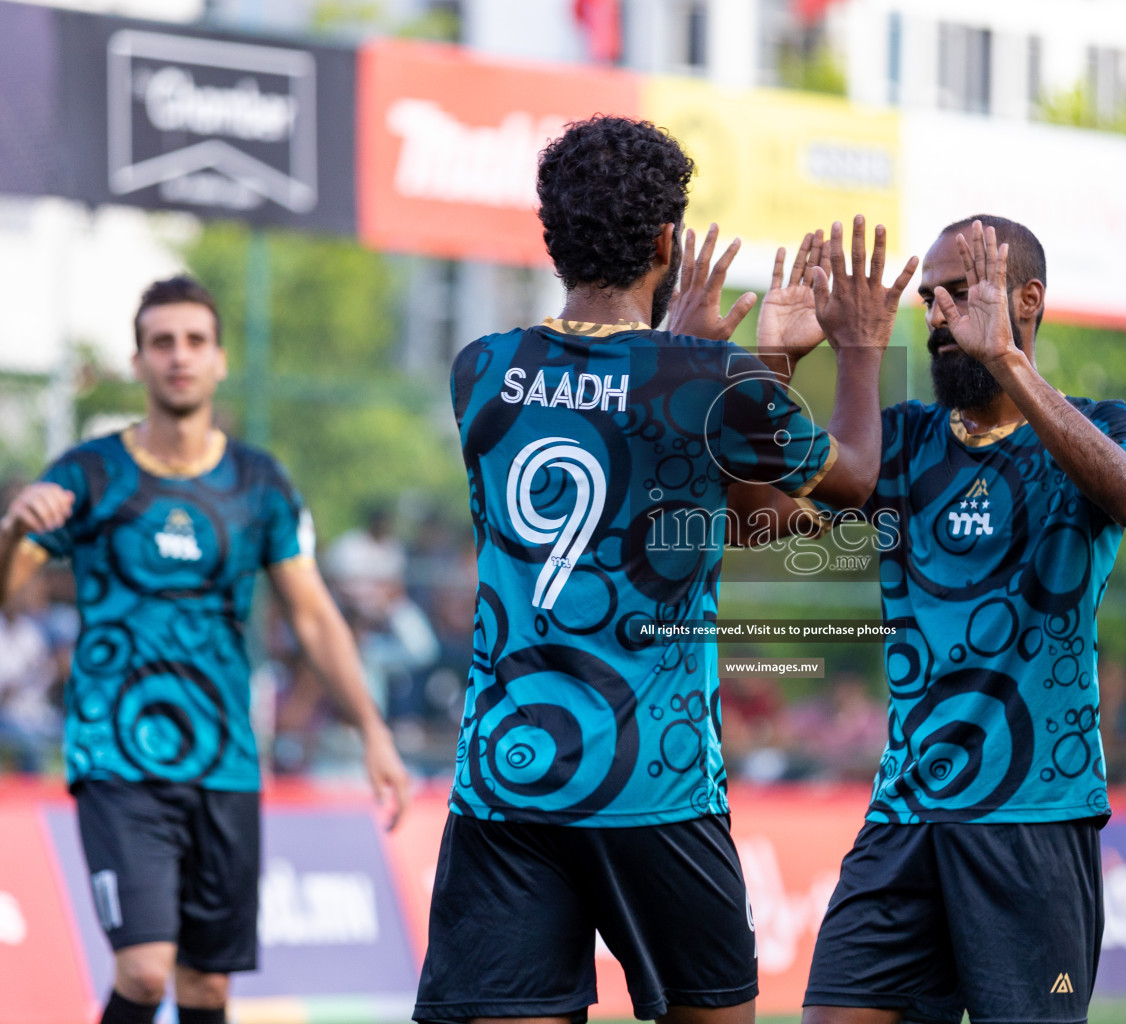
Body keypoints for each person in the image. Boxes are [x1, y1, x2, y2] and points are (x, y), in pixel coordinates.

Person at [412, 113, 915, 1024]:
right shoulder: (704, 379)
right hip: (654, 782)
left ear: (551, 236)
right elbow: (853, 483)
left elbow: (691, 503)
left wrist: (722, 358)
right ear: (667, 241)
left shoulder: (479, 370)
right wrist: (856, 348)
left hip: (507, 784)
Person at [736, 217, 1126, 1024]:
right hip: (906, 814)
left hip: (1032, 817)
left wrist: (1004, 358)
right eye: (928, 299)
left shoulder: (1101, 425)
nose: (936, 315)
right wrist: (776, 365)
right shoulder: (898, 442)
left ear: (1027, 299)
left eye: (960, 294)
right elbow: (755, 523)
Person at [0, 275, 410, 1024]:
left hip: (224, 761)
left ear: (219, 360)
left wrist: (373, 731)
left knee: (206, 989)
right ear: (138, 361)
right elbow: (7, 589)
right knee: (146, 971)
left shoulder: (260, 484)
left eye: (194, 341)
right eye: (162, 342)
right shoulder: (88, 474)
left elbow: (315, 618)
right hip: (116, 760)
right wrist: (10, 532)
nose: (178, 357)